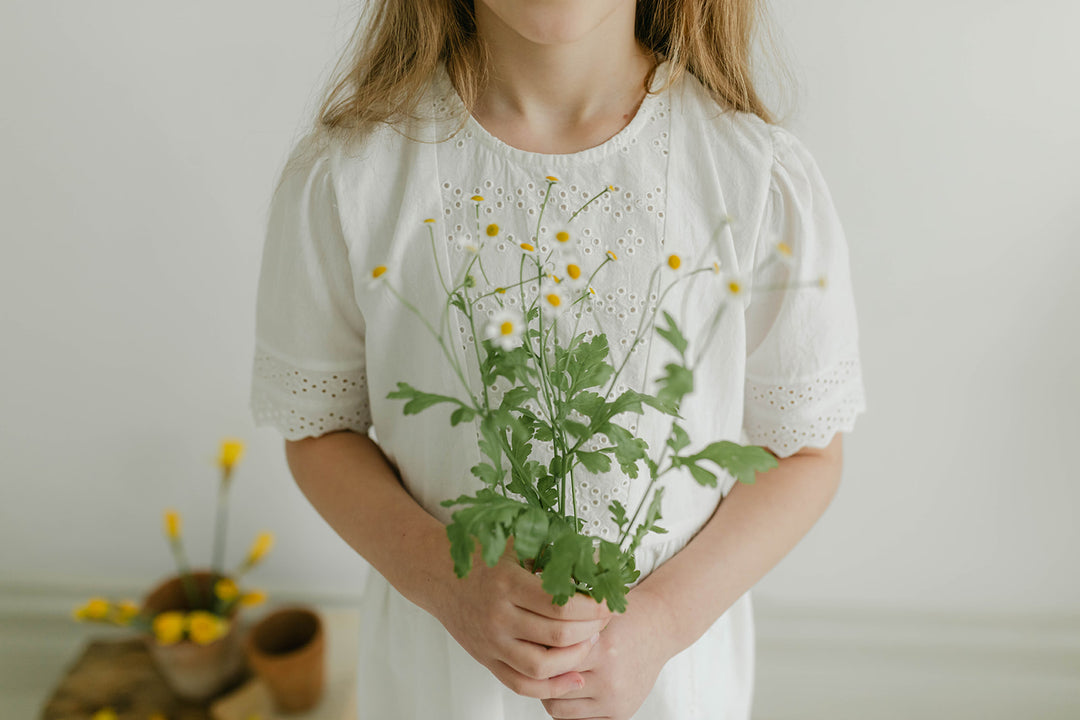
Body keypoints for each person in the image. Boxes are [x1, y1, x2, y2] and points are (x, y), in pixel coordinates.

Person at [249, 1, 867, 718]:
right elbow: (319, 428)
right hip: (441, 689)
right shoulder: (349, 177)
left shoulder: (755, 177)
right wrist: (449, 582)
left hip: (668, 690)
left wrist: (661, 622)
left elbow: (805, 453)